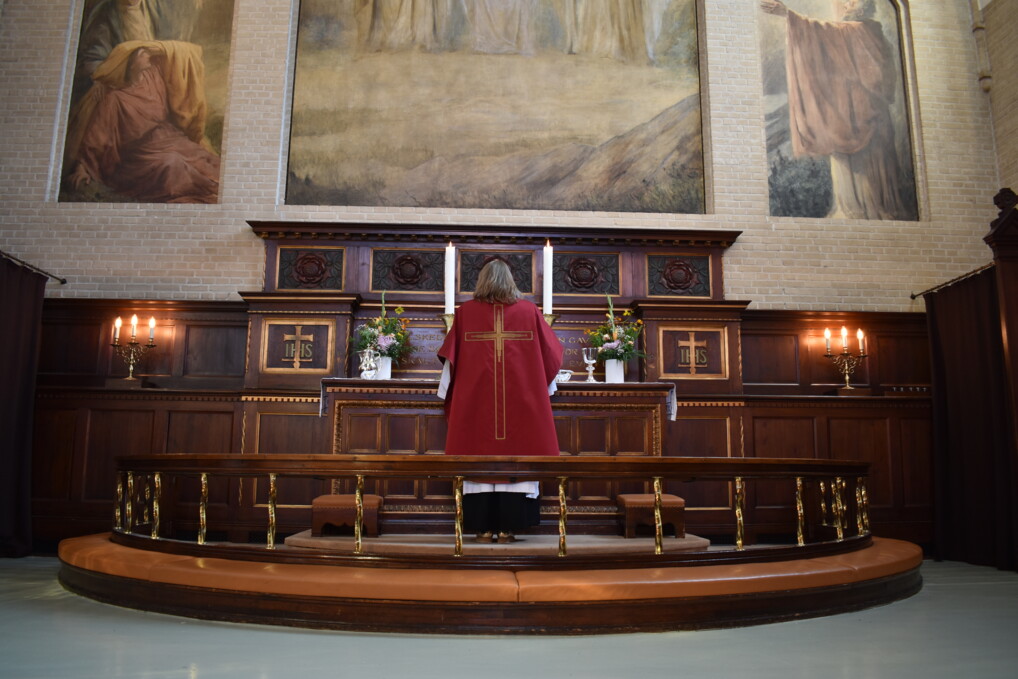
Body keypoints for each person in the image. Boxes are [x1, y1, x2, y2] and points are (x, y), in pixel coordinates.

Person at [437, 259, 563, 543]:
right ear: (511, 280)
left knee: (477, 454)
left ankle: (482, 528)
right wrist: (541, 388)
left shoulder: (466, 312)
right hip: (522, 403)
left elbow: (451, 362)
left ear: (481, 281)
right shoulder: (529, 311)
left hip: (475, 404)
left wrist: (448, 391)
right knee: (519, 452)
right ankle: (509, 527)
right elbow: (550, 355)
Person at [761, 0, 912, 220]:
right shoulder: (866, 31)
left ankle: (870, 207)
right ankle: (859, 207)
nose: (847, 5)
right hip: (858, 112)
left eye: (853, 1)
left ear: (864, 5)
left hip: (865, 112)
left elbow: (824, 32)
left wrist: (789, 15)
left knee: (871, 167)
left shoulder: (861, 30)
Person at [64, 40, 221, 204]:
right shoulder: (114, 98)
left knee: (204, 160)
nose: (148, 56)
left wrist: (153, 48)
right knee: (173, 164)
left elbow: (187, 51)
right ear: (131, 63)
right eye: (142, 54)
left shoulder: (152, 76)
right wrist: (81, 168)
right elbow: (97, 137)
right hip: (139, 153)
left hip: (168, 138)